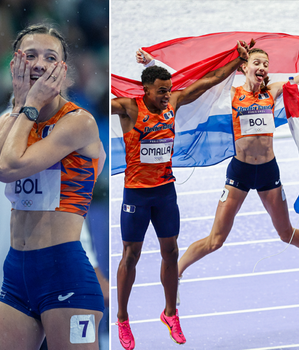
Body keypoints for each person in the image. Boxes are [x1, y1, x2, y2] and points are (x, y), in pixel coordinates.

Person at [111, 40, 252, 350]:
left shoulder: (173, 103)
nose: (166, 95)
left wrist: (235, 58)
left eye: (168, 89)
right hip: (136, 195)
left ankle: (170, 313)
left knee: (171, 253)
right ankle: (122, 318)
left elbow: (209, 80)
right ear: (146, 90)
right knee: (130, 257)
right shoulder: (129, 108)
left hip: (165, 192)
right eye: (161, 91)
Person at [0, 24, 105, 349]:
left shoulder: (77, 122)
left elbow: (9, 167)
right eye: (30, 56)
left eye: (50, 57)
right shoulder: (9, 122)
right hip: (17, 273)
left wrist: (27, 105)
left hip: (64, 272)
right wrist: (20, 108)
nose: (39, 64)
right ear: (15, 64)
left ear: (63, 68)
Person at [171, 47, 299, 286]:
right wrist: (150, 64)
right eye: (257, 62)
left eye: (265, 64)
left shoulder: (273, 91)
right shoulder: (232, 94)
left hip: (269, 172)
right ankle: (174, 273)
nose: (262, 68)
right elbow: (195, 84)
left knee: (286, 233)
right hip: (240, 172)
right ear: (244, 67)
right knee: (216, 240)